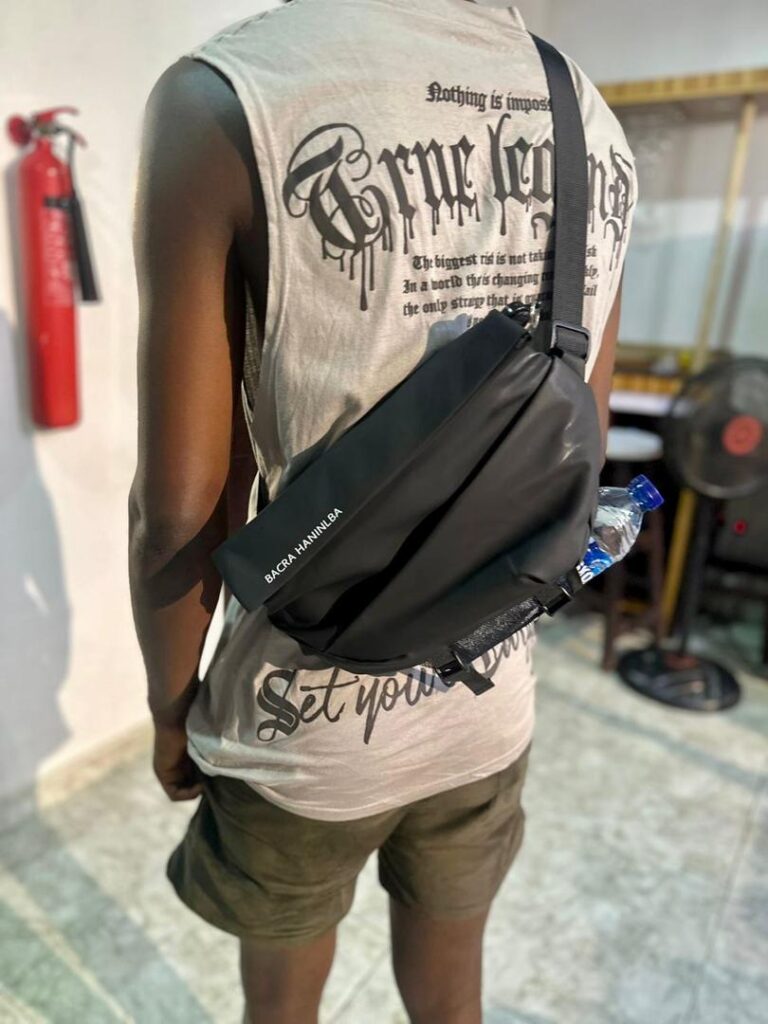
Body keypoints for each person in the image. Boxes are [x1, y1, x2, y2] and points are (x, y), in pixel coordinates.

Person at [128, 1, 636, 1021]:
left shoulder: (225, 99)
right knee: (452, 995)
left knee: (282, 1005)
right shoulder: (590, 117)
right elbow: (580, 443)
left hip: (296, 729)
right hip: (487, 701)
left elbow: (180, 509)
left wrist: (171, 707)